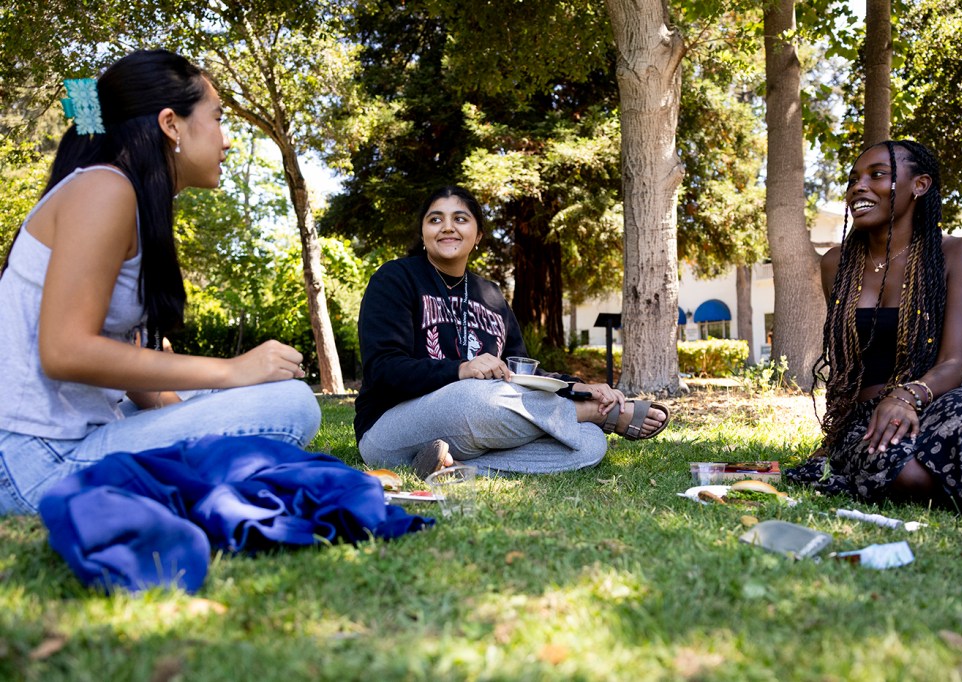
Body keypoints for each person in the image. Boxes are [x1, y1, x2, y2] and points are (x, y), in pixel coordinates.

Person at [0, 50, 321, 515]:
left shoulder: (122, 194)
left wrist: (194, 408)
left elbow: (134, 376)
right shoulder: (104, 189)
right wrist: (232, 371)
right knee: (292, 404)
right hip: (38, 461)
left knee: (216, 396)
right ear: (171, 124)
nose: (226, 140)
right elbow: (64, 351)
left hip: (72, 437)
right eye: (217, 118)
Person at [355, 185, 670, 479]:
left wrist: (581, 387)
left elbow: (522, 373)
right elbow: (382, 369)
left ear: (478, 235)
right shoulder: (396, 278)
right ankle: (595, 413)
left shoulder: (489, 294)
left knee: (588, 442)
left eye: (460, 219)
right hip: (393, 426)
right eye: (435, 219)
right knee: (476, 398)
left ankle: (453, 467)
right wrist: (460, 369)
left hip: (475, 427)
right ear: (423, 233)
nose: (448, 227)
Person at [785, 139, 962, 527]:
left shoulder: (960, 254)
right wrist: (834, 439)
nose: (858, 187)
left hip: (947, 395)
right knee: (909, 475)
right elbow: (848, 367)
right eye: (853, 180)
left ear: (920, 185)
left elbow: (953, 361)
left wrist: (907, 395)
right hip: (871, 414)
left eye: (877, 175)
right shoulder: (836, 265)